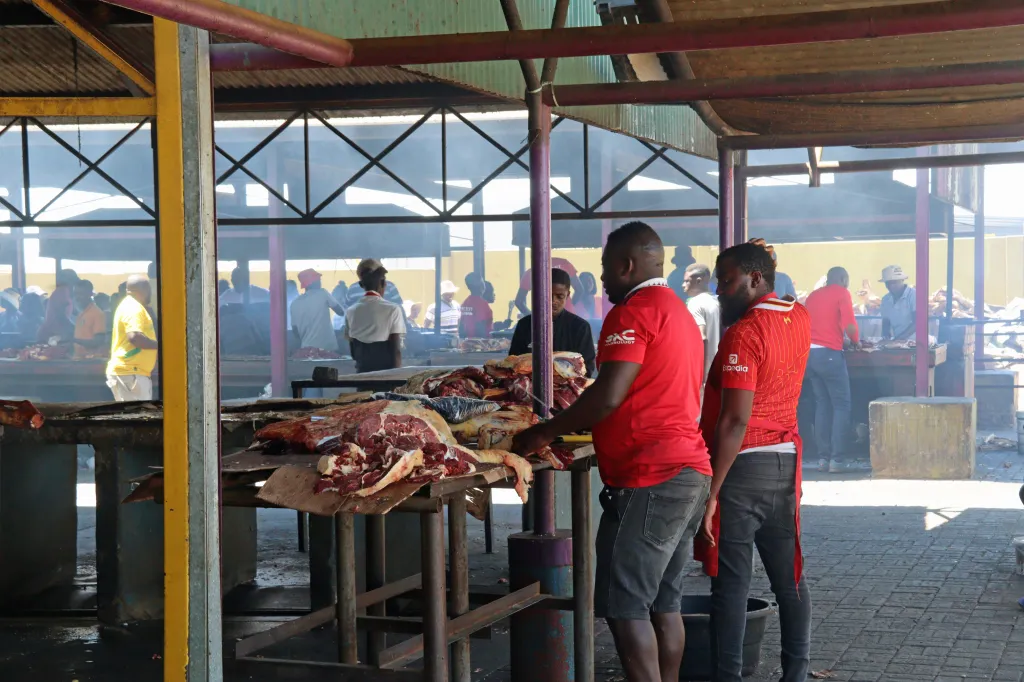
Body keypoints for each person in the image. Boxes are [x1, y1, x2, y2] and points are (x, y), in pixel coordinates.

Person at [511, 221, 711, 682]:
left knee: (626, 608)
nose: (599, 279)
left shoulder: (634, 312)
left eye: (605, 268)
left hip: (652, 476)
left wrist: (545, 433)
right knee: (664, 601)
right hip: (687, 471)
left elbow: (608, 394)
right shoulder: (678, 310)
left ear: (626, 265)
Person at [694, 242, 812, 682]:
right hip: (786, 463)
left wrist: (712, 491)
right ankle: (796, 674)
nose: (720, 292)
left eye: (727, 281)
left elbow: (735, 418)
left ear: (755, 279)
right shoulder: (798, 316)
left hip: (743, 468)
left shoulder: (745, 333)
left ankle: (729, 677)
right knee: (790, 578)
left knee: (730, 585)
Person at [802, 266, 860, 473]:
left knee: (822, 404)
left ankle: (822, 459)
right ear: (843, 279)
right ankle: (837, 460)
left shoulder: (813, 295)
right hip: (829, 355)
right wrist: (856, 341)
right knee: (842, 405)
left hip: (809, 355)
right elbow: (850, 325)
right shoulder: (842, 293)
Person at [509, 268, 596, 376]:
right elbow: (512, 363)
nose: (553, 301)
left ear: (567, 295)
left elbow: (588, 367)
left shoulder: (580, 327)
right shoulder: (524, 325)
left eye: (560, 297)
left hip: (569, 388)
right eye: (548, 296)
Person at [343, 259, 406, 373]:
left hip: (362, 377)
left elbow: (353, 352)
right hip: (385, 379)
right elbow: (396, 351)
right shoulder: (393, 309)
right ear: (383, 283)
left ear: (362, 284)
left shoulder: (350, 311)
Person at [107, 275, 158, 401]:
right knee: (139, 418)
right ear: (145, 290)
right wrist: (161, 345)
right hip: (131, 373)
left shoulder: (131, 305)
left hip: (131, 373)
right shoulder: (133, 308)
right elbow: (134, 337)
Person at [290, 268, 345, 352]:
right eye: (318, 280)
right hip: (327, 347)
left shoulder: (294, 304)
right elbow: (340, 312)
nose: (320, 282)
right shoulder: (323, 293)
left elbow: (295, 331)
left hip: (306, 349)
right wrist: (340, 296)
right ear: (312, 282)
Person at [683, 263, 721, 385]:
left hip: (705, 375)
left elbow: (701, 338)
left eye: (687, 281)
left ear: (698, 281)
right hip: (720, 371)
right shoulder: (718, 301)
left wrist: (702, 376)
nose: (683, 285)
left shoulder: (695, 303)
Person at [515, 256, 584, 316]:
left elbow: (519, 302)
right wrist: (568, 306)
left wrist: (532, 318)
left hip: (543, 320)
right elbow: (579, 289)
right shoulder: (563, 263)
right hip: (567, 315)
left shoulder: (530, 273)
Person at [37, 268, 78, 342]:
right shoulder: (63, 291)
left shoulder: (66, 293)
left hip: (56, 333)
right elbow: (61, 316)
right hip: (52, 335)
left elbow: (74, 311)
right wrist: (75, 328)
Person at [879, 264, 917, 340]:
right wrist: (885, 337)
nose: (891, 286)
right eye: (888, 283)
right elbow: (886, 322)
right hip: (898, 342)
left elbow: (917, 323)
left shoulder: (913, 295)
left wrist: (899, 339)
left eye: (894, 282)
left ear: (902, 280)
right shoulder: (886, 299)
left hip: (916, 342)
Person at [72, 280, 108, 360]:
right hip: (79, 360)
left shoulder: (97, 314)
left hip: (91, 362)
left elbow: (99, 341)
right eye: (76, 294)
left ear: (90, 294)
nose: (77, 297)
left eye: (81, 294)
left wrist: (74, 340)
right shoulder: (81, 314)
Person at [459, 272, 494, 339]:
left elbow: (462, 325)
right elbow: (481, 326)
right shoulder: (482, 304)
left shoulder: (465, 303)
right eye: (482, 282)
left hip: (467, 342)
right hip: (480, 343)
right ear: (480, 285)